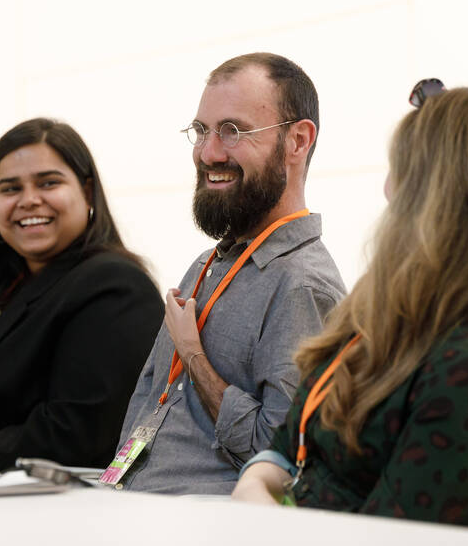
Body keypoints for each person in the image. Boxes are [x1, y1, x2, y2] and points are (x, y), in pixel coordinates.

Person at [232, 83, 468, 528]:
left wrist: (261, 505)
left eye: (400, 175)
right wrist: (256, 485)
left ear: (440, 202)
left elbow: (385, 536)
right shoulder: (382, 315)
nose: (387, 192)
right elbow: (290, 442)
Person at [106, 53, 346, 494]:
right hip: (127, 506)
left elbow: (281, 463)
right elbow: (144, 411)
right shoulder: (206, 265)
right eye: (201, 131)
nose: (208, 152)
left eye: (233, 132)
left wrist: (194, 357)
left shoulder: (302, 286)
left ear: (297, 141)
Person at [0, 118, 163, 472]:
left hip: (50, 512)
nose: (29, 200)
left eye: (48, 183)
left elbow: (72, 436)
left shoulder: (116, 287)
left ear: (87, 192)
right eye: (10, 189)